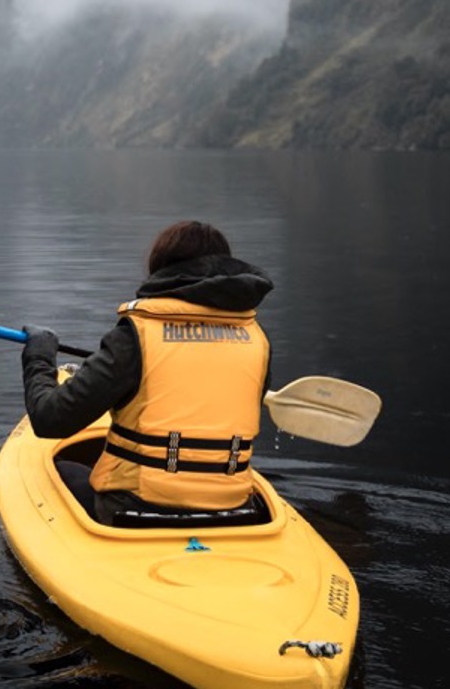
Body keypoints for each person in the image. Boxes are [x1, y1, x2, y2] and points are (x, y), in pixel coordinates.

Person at [20, 220, 273, 527]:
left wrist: (39, 354)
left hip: (135, 508)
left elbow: (50, 419)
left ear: (161, 269)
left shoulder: (135, 336)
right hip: (233, 508)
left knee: (57, 470)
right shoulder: (256, 340)